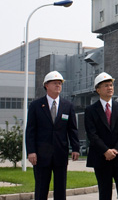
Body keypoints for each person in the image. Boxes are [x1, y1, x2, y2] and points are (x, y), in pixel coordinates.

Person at [25, 70, 80, 200]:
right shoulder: (36, 105)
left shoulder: (68, 106)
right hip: (41, 155)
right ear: (46, 85)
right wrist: (31, 151)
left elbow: (72, 129)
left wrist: (76, 148)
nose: (58, 85)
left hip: (60, 153)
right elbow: (30, 130)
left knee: (60, 189)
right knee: (41, 188)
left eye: (60, 83)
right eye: (55, 83)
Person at [84, 72, 118, 200]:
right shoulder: (90, 111)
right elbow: (92, 134)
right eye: (106, 85)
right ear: (98, 90)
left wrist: (116, 150)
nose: (110, 88)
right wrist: (105, 151)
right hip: (101, 158)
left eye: (111, 85)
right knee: (104, 192)